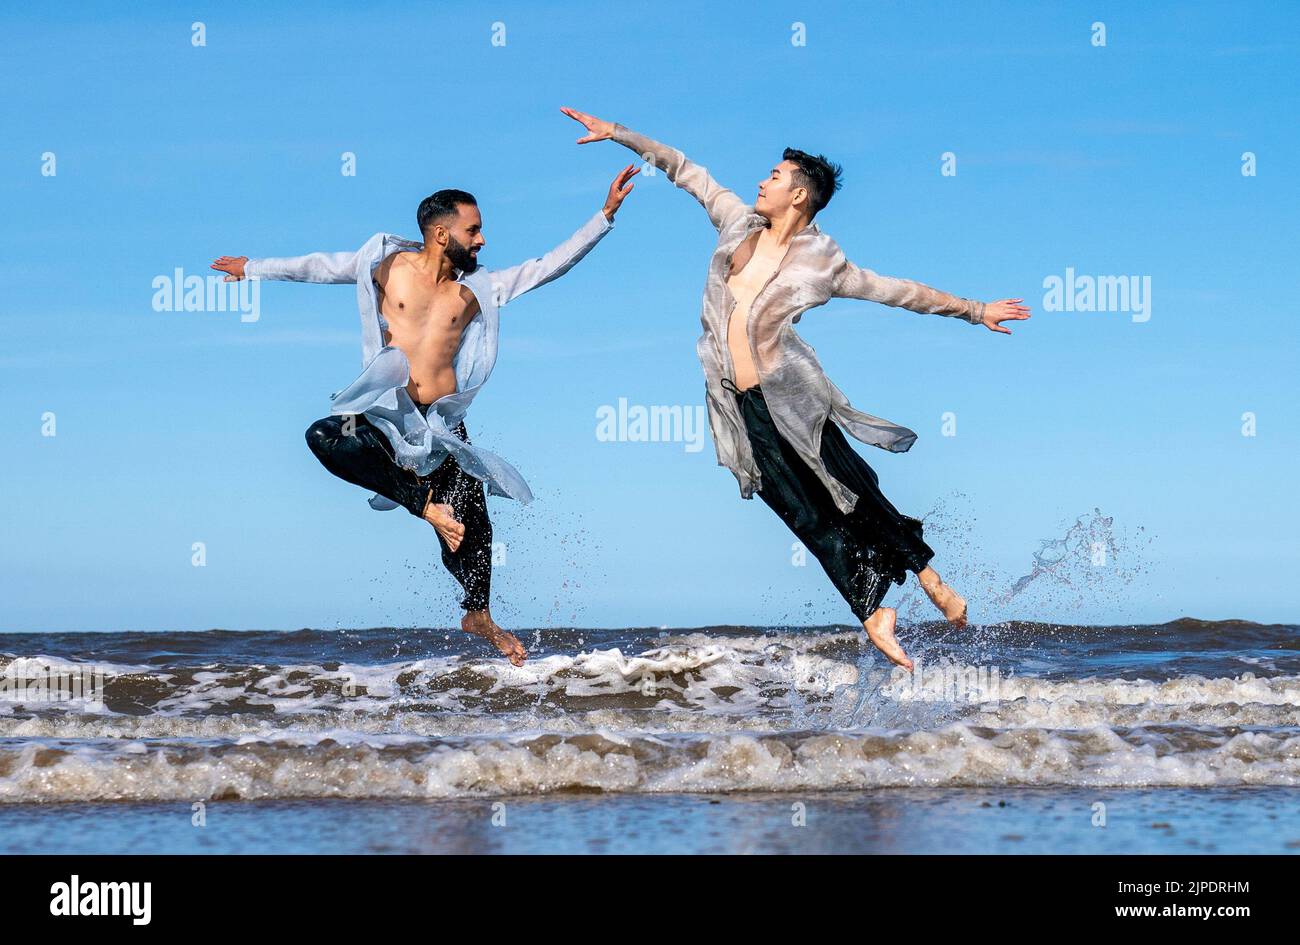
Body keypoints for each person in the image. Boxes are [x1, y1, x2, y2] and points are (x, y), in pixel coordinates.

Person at [561, 107, 1030, 670]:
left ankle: (930, 578)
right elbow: (687, 170)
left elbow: (899, 291)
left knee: (848, 489)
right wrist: (618, 134)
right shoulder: (737, 223)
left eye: (776, 177)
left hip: (795, 397)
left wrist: (974, 310)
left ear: (800, 196)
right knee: (797, 509)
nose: (762, 182)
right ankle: (874, 607)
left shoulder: (824, 262)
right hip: (740, 403)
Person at [211, 166, 639, 665]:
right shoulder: (386, 267)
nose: (482, 239)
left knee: (475, 529)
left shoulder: (477, 289)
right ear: (441, 233)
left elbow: (548, 266)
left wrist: (603, 216)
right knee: (325, 436)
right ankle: (422, 503)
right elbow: (319, 266)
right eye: (473, 230)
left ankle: (478, 614)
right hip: (387, 417)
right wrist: (253, 268)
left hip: (442, 427)